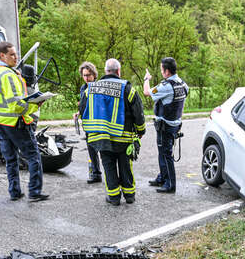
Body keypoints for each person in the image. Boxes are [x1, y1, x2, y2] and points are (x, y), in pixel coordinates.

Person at [0, 41, 49, 202]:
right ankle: (34, 192)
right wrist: (35, 106)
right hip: (15, 123)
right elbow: (16, 106)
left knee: (11, 159)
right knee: (33, 156)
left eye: (16, 54)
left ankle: (14, 192)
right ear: (2, 55)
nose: (16, 57)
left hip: (0, 122)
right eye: (12, 55)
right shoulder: (8, 75)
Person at [81, 58, 146, 206]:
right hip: (123, 138)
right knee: (125, 166)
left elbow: (83, 109)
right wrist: (141, 130)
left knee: (108, 167)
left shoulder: (91, 89)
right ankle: (129, 196)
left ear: (105, 72)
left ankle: (114, 198)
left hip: (102, 137)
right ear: (118, 71)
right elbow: (138, 112)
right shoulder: (128, 89)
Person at [143, 57, 189, 193]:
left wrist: (147, 79)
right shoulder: (182, 84)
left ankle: (170, 184)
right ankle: (163, 177)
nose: (161, 72)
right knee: (163, 152)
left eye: (162, 70)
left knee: (166, 154)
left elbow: (147, 92)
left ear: (167, 71)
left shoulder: (166, 86)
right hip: (175, 123)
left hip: (165, 125)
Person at [74, 61, 103, 184]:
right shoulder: (83, 88)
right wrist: (78, 112)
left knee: (103, 151)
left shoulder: (99, 87)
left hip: (99, 124)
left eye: (89, 75)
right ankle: (96, 174)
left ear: (94, 75)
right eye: (84, 75)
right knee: (91, 150)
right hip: (88, 124)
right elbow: (83, 104)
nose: (87, 78)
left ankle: (111, 176)